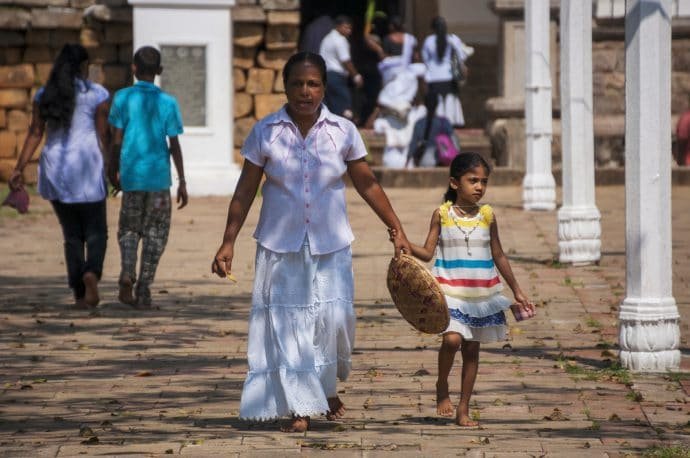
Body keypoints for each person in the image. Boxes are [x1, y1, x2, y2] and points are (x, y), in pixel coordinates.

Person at [211, 52, 411, 433]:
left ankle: (325, 388)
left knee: (333, 322)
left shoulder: (343, 131)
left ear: (323, 87)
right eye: (298, 84)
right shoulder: (265, 132)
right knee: (290, 323)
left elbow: (367, 183)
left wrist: (395, 228)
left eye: (313, 84)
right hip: (279, 244)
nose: (306, 91)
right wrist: (228, 241)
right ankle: (301, 407)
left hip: (331, 244)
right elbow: (246, 188)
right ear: (285, 87)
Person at [395, 152, 533, 426]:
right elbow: (426, 252)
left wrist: (516, 289)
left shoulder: (487, 215)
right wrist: (404, 242)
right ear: (455, 183)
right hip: (449, 292)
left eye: (484, 181)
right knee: (452, 340)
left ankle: (464, 408)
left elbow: (499, 254)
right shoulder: (442, 214)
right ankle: (442, 385)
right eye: (473, 180)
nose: (479, 187)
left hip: (481, 295)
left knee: (471, 351)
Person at [9, 44, 110, 309]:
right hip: (87, 166)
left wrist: (18, 168)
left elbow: (34, 134)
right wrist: (112, 167)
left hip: (56, 168)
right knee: (97, 230)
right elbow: (102, 135)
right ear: (83, 67)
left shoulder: (44, 95)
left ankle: (79, 293)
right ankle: (91, 273)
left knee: (72, 234)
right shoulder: (96, 94)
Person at [108, 46, 188, 308]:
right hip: (159, 181)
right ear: (160, 71)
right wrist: (183, 181)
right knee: (156, 233)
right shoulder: (168, 102)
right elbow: (174, 144)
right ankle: (143, 290)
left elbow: (116, 140)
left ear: (133, 68)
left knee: (129, 230)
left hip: (132, 177)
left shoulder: (122, 98)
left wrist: (112, 169)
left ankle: (127, 272)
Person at [421, 16, 473, 128]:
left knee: (436, 102)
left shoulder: (428, 41)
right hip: (449, 77)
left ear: (433, 28)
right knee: (450, 100)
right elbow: (461, 56)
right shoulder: (453, 39)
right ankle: (451, 122)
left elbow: (425, 59)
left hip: (433, 77)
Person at [319, 15, 364, 120]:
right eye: (346, 27)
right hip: (336, 77)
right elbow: (346, 60)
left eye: (350, 28)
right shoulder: (340, 40)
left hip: (325, 76)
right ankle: (345, 131)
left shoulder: (327, 38)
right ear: (338, 27)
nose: (349, 31)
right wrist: (356, 76)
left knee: (331, 106)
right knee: (344, 106)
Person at [407, 92, 460, 167]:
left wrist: (407, 160)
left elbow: (413, 144)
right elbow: (454, 141)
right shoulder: (444, 122)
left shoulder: (419, 123)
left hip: (425, 160)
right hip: (443, 159)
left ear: (425, 104)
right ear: (437, 104)